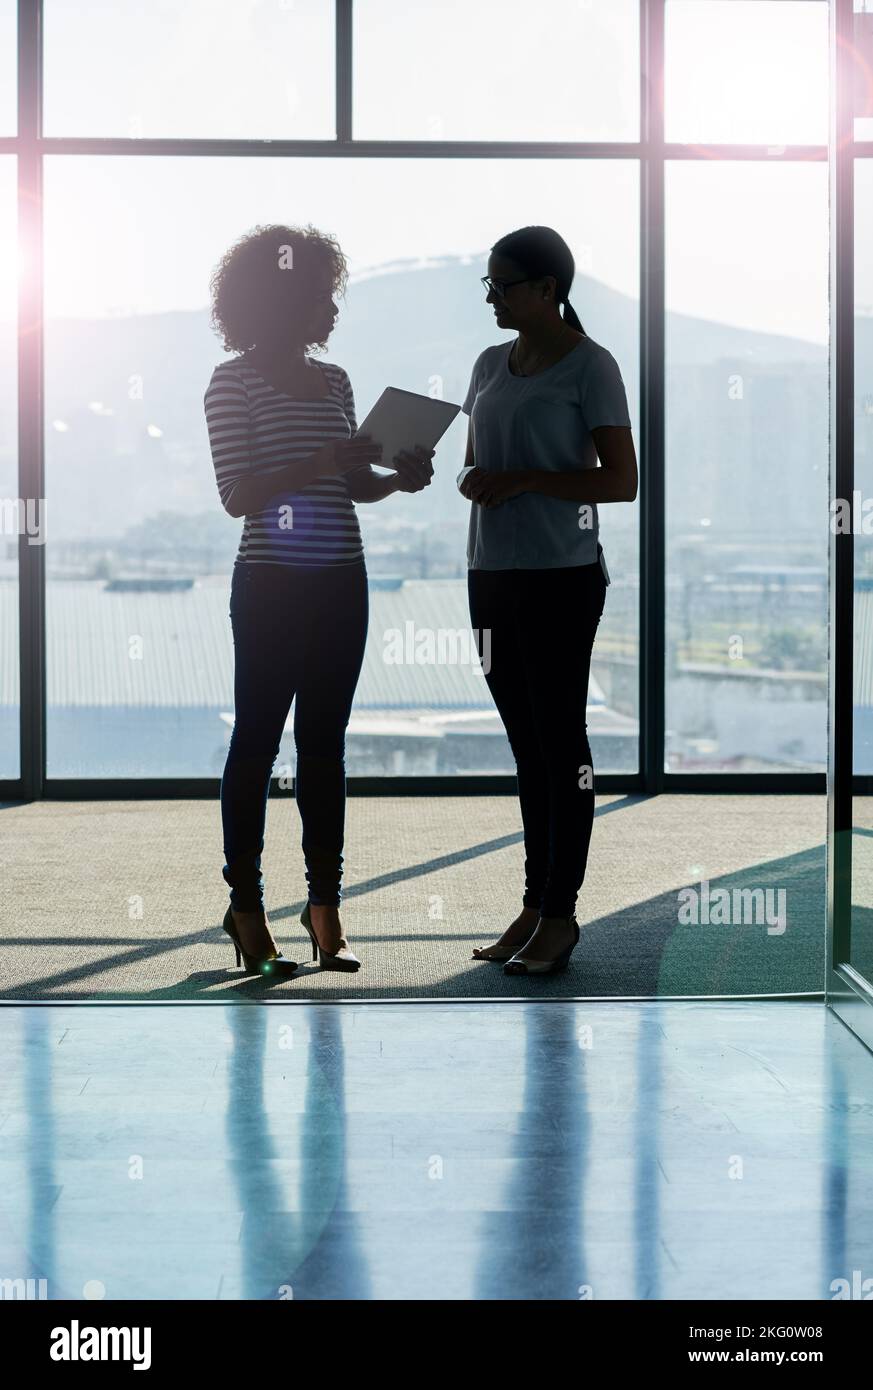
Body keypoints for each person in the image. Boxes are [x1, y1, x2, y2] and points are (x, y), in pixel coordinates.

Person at [204, 223, 433, 978]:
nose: (331, 312)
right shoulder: (229, 383)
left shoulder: (335, 382)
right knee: (257, 744)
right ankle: (245, 906)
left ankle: (323, 906)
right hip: (270, 582)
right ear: (282, 301)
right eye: (319, 298)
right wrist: (319, 460)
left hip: (342, 579)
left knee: (325, 747)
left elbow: (351, 485)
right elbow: (238, 495)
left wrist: (398, 477)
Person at [460, 225, 638, 976]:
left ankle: (561, 915)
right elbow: (473, 460)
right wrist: (475, 477)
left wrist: (529, 479)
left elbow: (619, 481)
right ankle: (535, 905)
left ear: (546, 289)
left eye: (503, 285)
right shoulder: (487, 363)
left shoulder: (591, 367)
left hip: (561, 577)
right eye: (488, 285)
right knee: (527, 749)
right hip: (490, 572)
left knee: (561, 748)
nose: (492, 297)